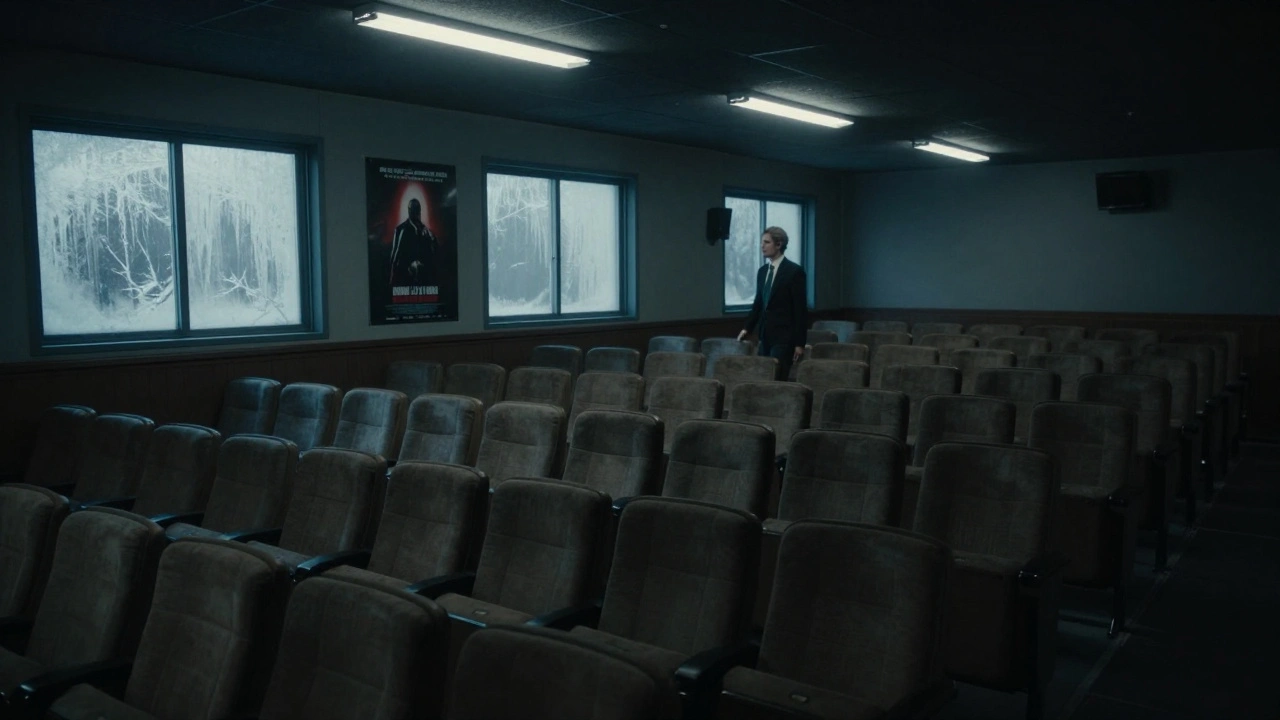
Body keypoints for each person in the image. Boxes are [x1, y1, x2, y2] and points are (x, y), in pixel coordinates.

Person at [738, 226, 807, 381]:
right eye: (762, 242)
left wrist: (799, 344)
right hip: (765, 335)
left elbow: (800, 310)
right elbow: (758, 303)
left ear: (779, 244)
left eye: (766, 242)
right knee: (763, 378)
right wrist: (747, 328)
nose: (762, 246)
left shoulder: (794, 271)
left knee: (777, 380)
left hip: (785, 337)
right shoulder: (762, 271)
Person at [389, 198, 437, 287]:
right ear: (410, 211)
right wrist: (393, 277)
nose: (416, 214)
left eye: (417, 210)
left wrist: (432, 239)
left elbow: (433, 255)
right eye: (414, 210)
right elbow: (395, 256)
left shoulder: (424, 230)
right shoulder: (400, 229)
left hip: (422, 277)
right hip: (405, 276)